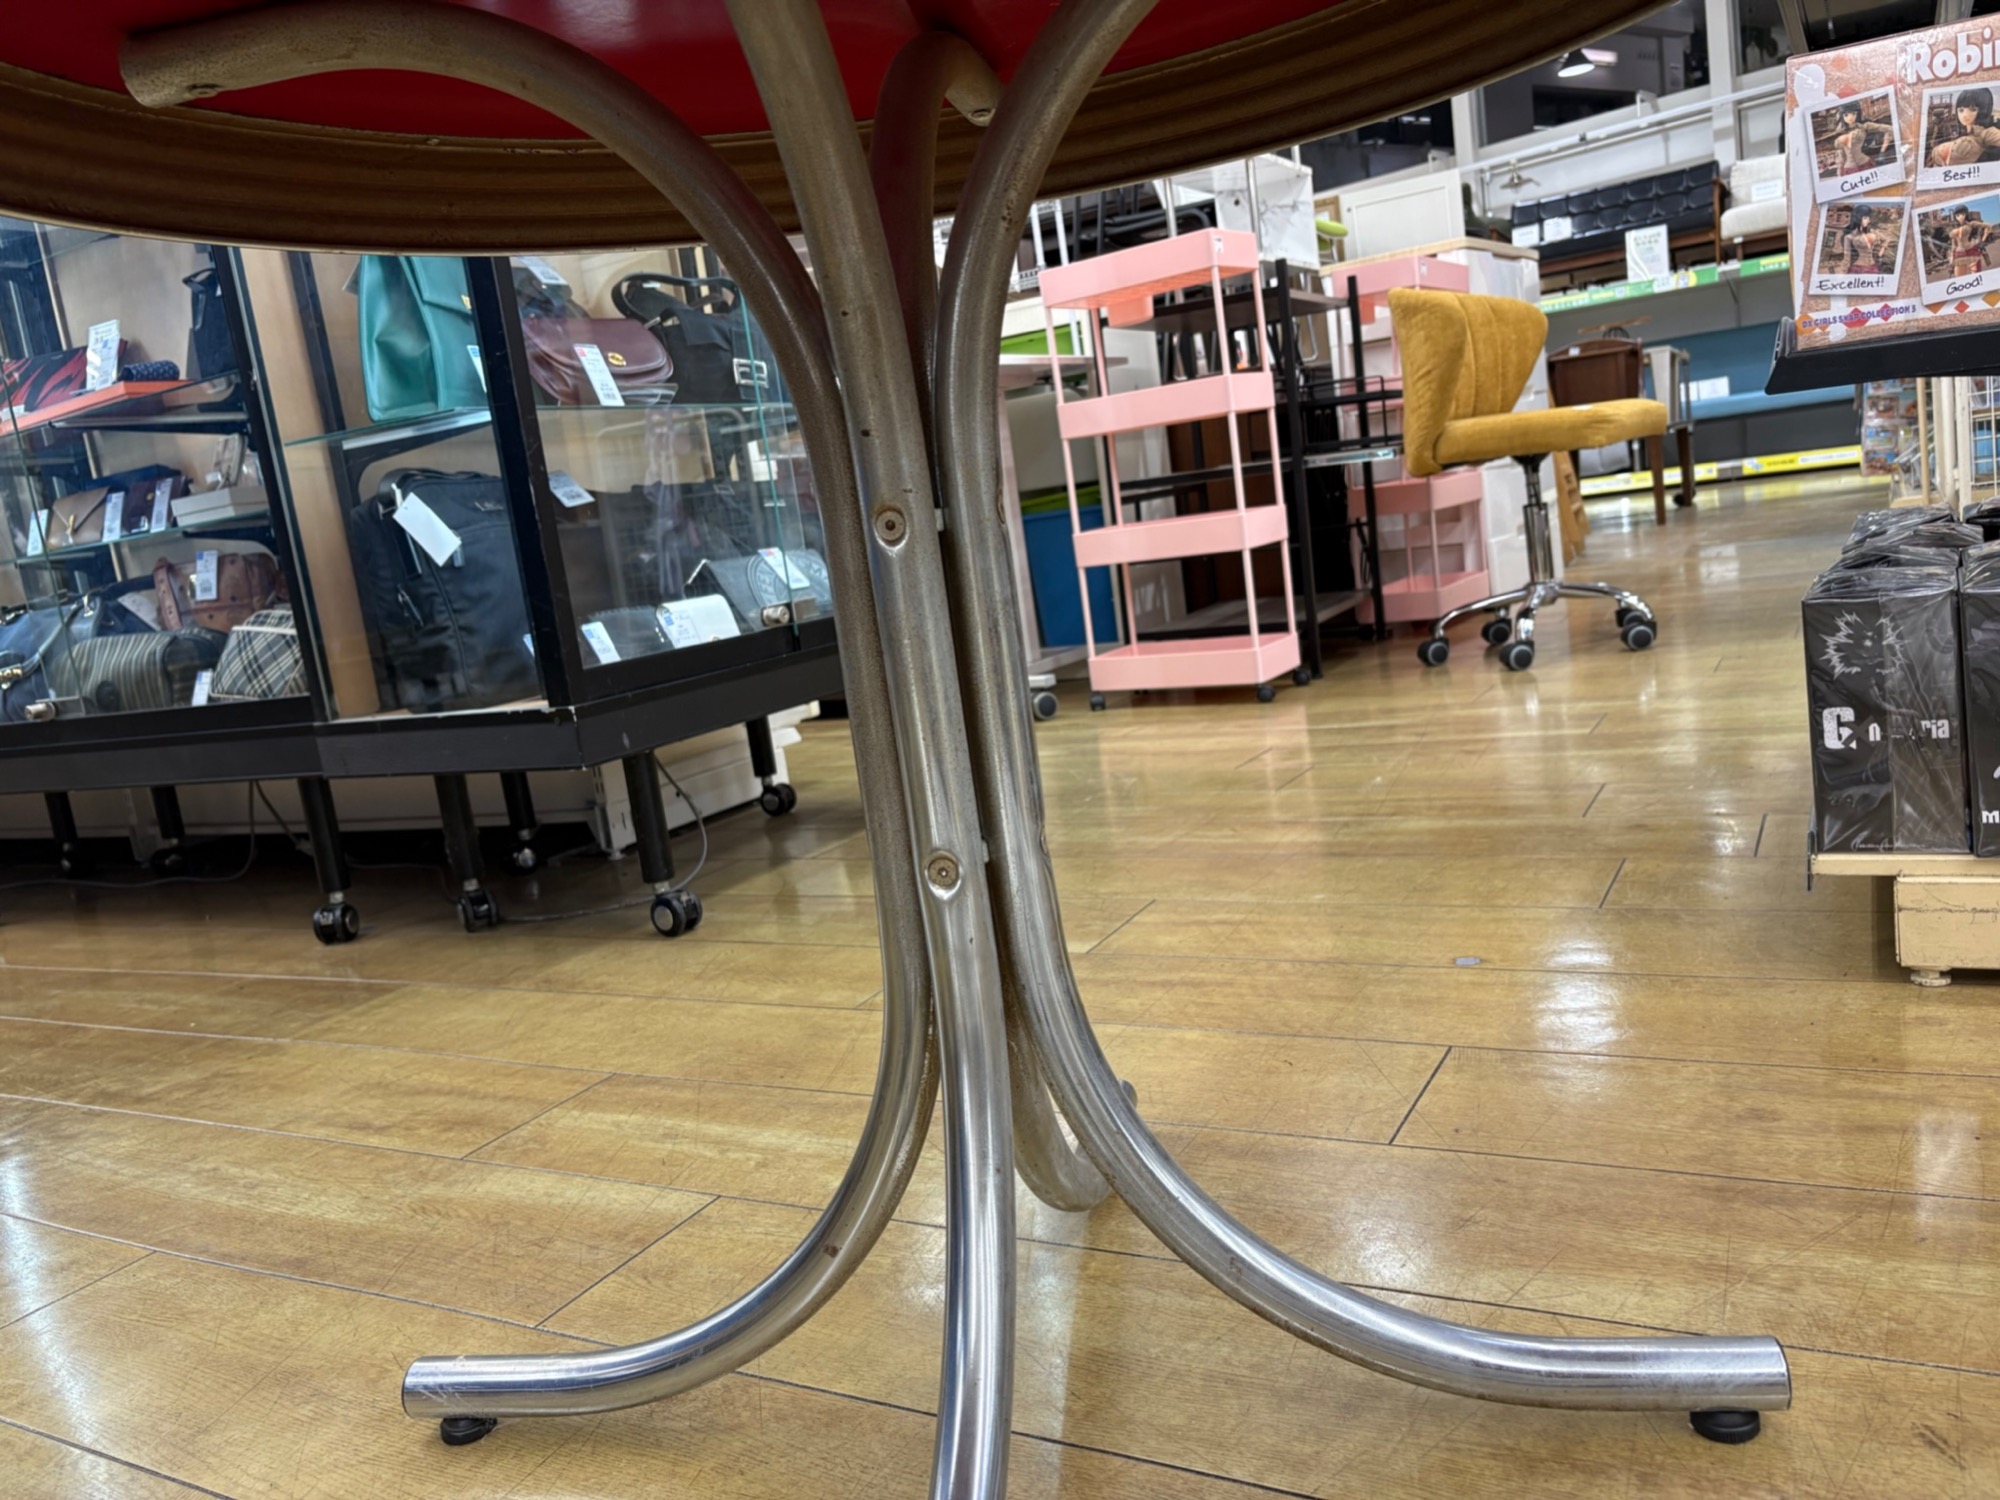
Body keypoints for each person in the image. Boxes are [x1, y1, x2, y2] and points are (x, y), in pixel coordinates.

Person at [1929, 87, 2000, 167]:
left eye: (1973, 109)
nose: (1965, 115)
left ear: (1983, 110)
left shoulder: (1986, 133)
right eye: (1961, 110)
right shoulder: (1958, 133)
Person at [1832, 102, 1894, 174]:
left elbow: (1889, 128)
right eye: (1846, 115)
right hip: (1848, 169)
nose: (1850, 117)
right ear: (1842, 116)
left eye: (1853, 114)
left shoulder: (1865, 127)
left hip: (1865, 164)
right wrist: (1839, 169)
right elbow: (1841, 153)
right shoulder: (1841, 132)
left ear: (1858, 114)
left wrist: (1883, 149)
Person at [1947, 204, 1993, 278]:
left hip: (1971, 250)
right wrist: (1952, 258)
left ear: (1966, 214)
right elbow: (1954, 244)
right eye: (1958, 215)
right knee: (1959, 277)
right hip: (1959, 253)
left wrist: (1982, 240)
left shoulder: (1971, 224)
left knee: (1976, 274)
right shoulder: (1953, 228)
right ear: (1955, 216)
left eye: (1963, 214)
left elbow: (1988, 226)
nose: (1960, 217)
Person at [1842, 208, 1885, 275]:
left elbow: (1885, 239)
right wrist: (1844, 273)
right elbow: (1847, 257)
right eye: (1865, 218)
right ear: (1858, 219)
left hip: (1873, 268)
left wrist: (1881, 252)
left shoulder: (1873, 232)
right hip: (1858, 269)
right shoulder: (1849, 237)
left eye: (1868, 218)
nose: (1868, 221)